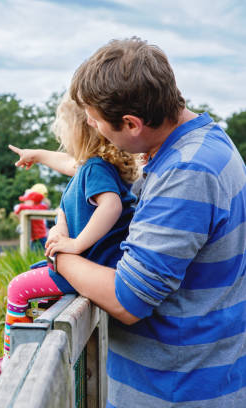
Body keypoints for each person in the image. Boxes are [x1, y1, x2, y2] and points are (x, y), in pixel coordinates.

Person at [53, 37, 246, 407]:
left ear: (131, 123)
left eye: (95, 119)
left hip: (177, 391)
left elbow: (128, 299)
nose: (91, 125)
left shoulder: (187, 171)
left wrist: (60, 255)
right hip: (198, 379)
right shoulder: (203, 145)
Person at [0, 92, 140, 394]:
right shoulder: (94, 167)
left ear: (81, 131)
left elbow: (111, 206)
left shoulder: (95, 169)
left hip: (92, 263)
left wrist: (76, 244)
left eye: (64, 130)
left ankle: (7, 366)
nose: (62, 138)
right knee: (32, 286)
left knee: (19, 287)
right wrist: (36, 154)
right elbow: (67, 163)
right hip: (94, 264)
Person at [13, 183, 50, 251]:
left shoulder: (40, 207)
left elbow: (42, 207)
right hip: (33, 238)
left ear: (32, 201)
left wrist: (21, 207)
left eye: (26, 201)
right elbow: (17, 212)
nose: (24, 202)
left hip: (40, 237)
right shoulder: (30, 208)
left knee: (43, 253)